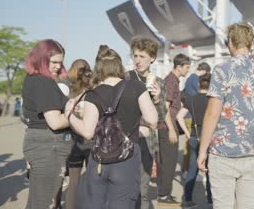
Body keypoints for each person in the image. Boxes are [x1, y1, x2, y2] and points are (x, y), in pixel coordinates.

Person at [66, 45, 158, 209]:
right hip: (127, 159)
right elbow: (152, 120)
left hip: (99, 160)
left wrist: (69, 115)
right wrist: (138, 117)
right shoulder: (137, 87)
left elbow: (88, 132)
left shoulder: (92, 94)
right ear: (119, 66)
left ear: (99, 68)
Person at [197, 22, 254, 209]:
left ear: (230, 42)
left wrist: (202, 150)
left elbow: (213, 113)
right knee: (247, 205)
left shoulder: (222, 70)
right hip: (250, 151)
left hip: (224, 152)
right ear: (250, 42)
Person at [21, 40, 72, 208]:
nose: (58, 66)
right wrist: (75, 113)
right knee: (43, 203)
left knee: (37, 201)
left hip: (40, 144)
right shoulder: (44, 81)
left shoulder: (34, 78)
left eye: (60, 62)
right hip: (48, 146)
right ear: (42, 59)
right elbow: (55, 122)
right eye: (54, 62)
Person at [127, 37, 165, 209]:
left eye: (142, 56)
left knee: (143, 189)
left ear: (152, 58)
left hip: (148, 142)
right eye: (135, 56)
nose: (138, 60)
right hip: (127, 139)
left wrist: (157, 99)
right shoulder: (126, 79)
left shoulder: (158, 82)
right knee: (125, 188)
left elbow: (161, 118)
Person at [157, 53, 191, 206]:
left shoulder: (173, 81)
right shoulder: (171, 81)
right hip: (167, 127)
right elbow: (164, 108)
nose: (188, 70)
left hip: (167, 126)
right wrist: (171, 129)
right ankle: (164, 194)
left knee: (167, 162)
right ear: (179, 67)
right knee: (169, 163)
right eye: (187, 67)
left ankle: (164, 192)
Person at [177, 73, 213, 208]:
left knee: (192, 170)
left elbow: (180, 116)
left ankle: (188, 200)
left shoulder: (191, 99)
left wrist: (187, 133)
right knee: (210, 170)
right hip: (209, 138)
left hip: (194, 136)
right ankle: (210, 200)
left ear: (199, 84)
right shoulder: (213, 100)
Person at [65, 59, 93, 209]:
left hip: (73, 140)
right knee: (92, 181)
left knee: (73, 182)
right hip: (90, 139)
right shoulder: (92, 90)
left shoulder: (69, 90)